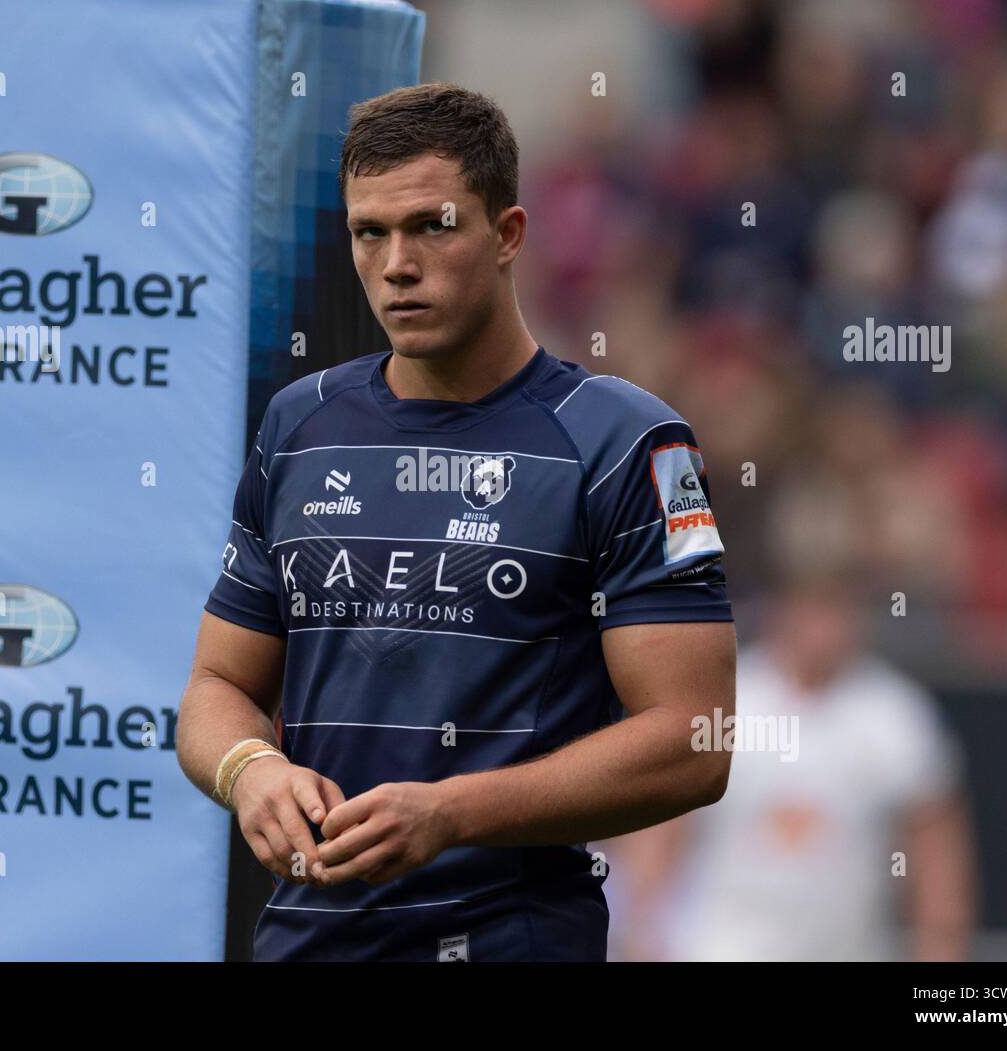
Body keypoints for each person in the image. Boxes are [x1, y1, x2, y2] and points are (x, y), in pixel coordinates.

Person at [176, 82, 736, 961]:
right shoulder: (300, 422)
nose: (397, 263)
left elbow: (697, 740)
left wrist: (450, 812)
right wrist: (251, 772)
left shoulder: (627, 441)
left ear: (508, 235)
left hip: (509, 939)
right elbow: (217, 685)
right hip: (306, 941)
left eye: (432, 225)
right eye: (370, 232)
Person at [601, 574, 976, 961]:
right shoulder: (726, 702)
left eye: (835, 607)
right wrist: (643, 936)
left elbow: (937, 866)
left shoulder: (898, 717)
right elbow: (659, 834)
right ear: (781, 608)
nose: (822, 626)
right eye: (810, 605)